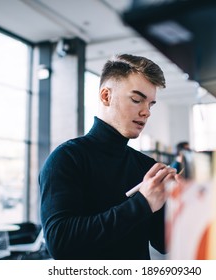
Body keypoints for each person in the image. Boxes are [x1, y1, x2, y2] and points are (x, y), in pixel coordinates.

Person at [39, 54, 178, 260]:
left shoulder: (146, 166)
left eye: (150, 104)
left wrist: (177, 201)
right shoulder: (66, 159)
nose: (146, 112)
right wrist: (142, 204)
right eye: (137, 100)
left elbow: (164, 243)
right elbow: (61, 244)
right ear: (106, 96)